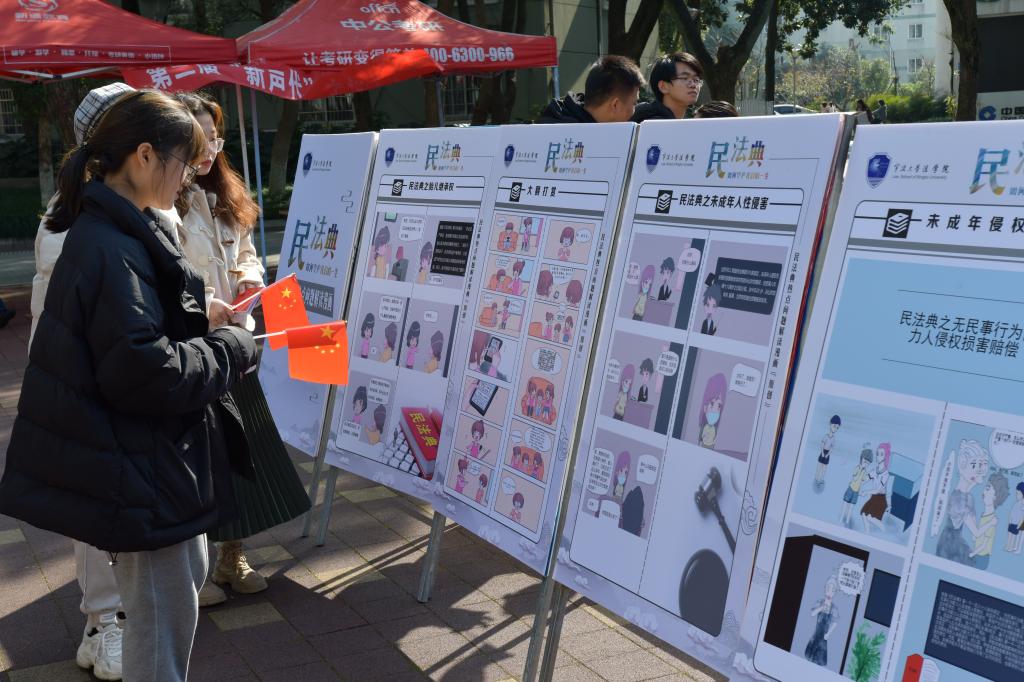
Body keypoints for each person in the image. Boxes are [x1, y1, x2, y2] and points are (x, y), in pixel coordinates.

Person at [0, 89, 258, 681]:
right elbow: (147, 372)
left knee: (168, 609)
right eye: (184, 161)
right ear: (144, 156)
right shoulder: (111, 243)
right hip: (141, 465)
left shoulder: (114, 227)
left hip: (144, 460)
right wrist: (231, 347)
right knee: (161, 626)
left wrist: (196, 315)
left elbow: (129, 333)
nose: (189, 177)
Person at [174, 92, 310, 607]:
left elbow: (248, 252)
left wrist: (250, 280)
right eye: (199, 139)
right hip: (192, 344)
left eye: (215, 138)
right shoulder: (163, 199)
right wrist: (205, 303)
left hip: (237, 338)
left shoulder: (226, 191)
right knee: (200, 454)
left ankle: (234, 555)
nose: (209, 150)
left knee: (243, 451)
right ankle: (196, 568)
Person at [29, 81, 139, 682]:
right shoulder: (74, 220)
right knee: (96, 509)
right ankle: (103, 623)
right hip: (86, 389)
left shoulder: (136, 206)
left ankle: (117, 620)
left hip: (124, 384)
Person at [537, 55, 644, 124]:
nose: (634, 111)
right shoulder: (588, 141)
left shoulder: (547, 129)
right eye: (634, 103)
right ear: (615, 105)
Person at [632, 52, 703, 122]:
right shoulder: (655, 124)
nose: (693, 85)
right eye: (684, 78)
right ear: (663, 86)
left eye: (696, 80)